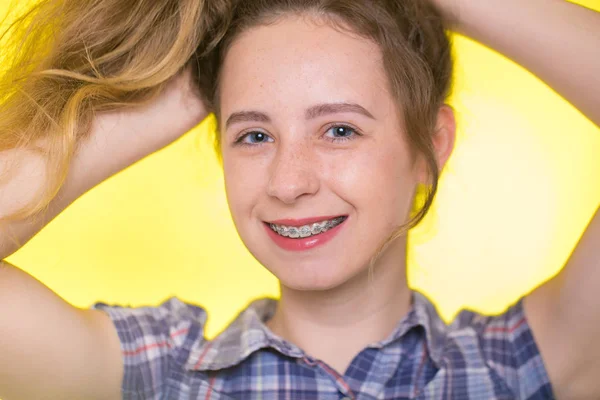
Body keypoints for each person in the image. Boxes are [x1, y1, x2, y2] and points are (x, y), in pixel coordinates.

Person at [0, 0, 598, 398]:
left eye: (339, 130)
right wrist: (172, 86)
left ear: (430, 145)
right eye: (253, 135)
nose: (289, 182)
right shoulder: (154, 375)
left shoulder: (515, 370)